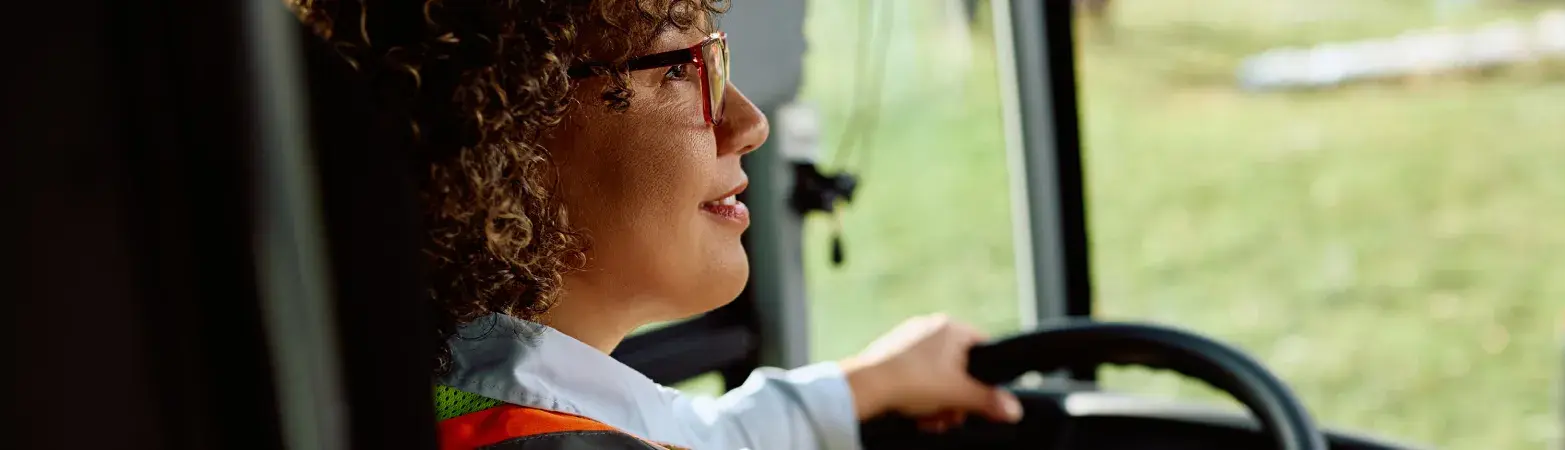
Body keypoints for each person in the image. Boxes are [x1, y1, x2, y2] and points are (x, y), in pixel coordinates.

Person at [288, 1, 1021, 449]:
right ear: (504, 121)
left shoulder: (471, 395)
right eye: (680, 67)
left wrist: (872, 382)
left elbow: (696, 437)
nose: (748, 123)